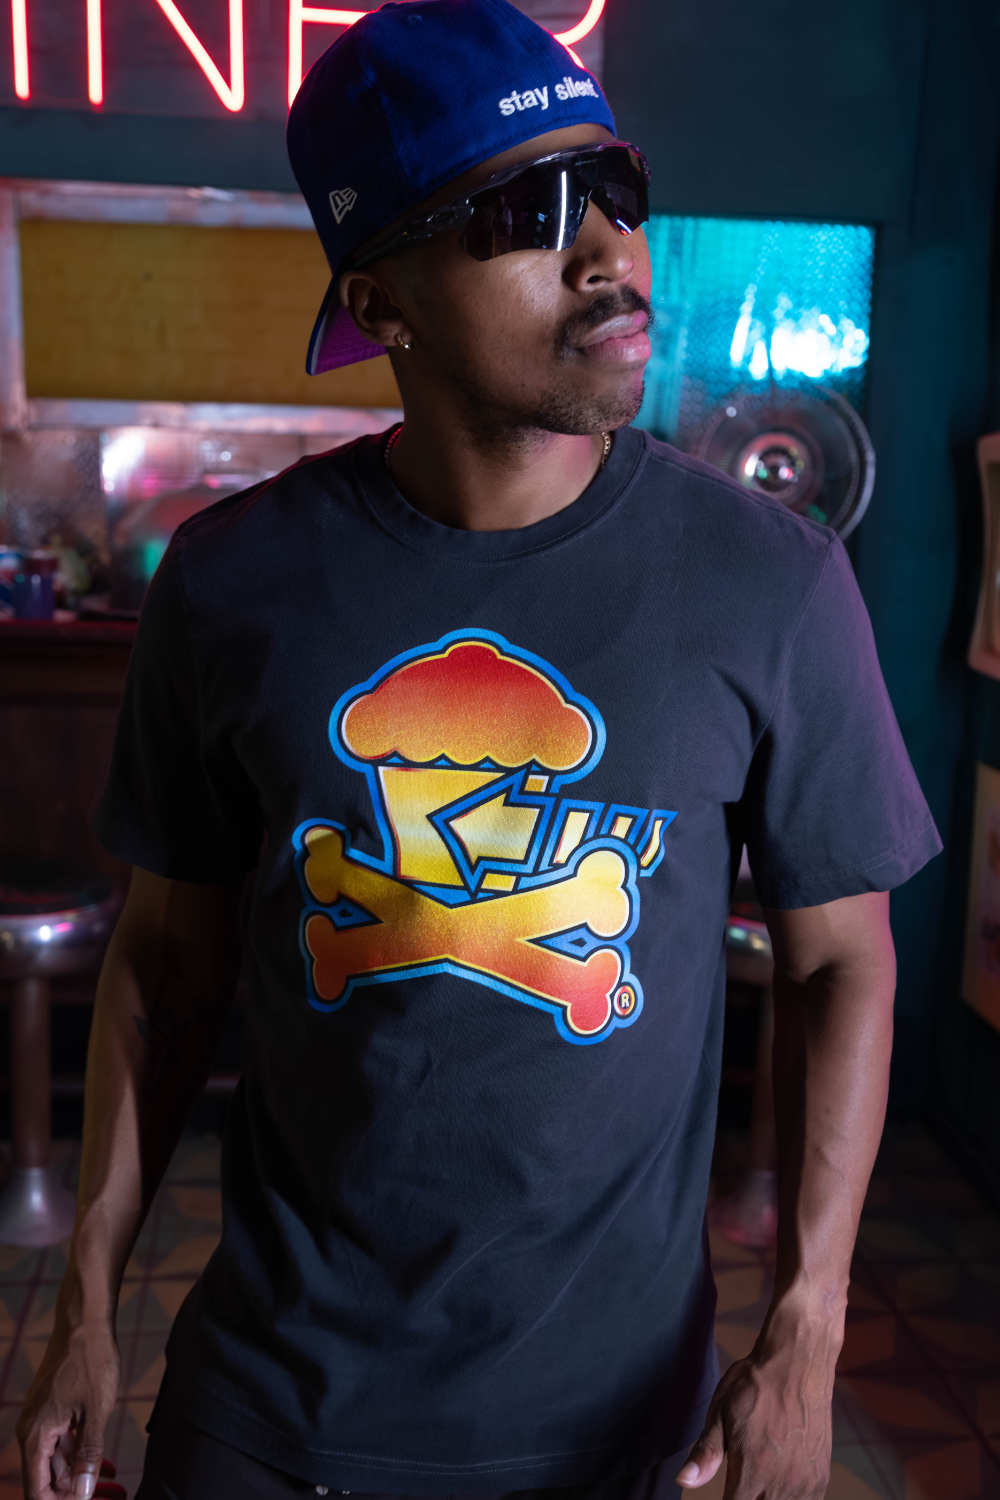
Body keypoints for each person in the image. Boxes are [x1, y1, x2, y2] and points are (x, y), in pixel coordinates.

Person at [18, 3, 941, 1498]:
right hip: (272, 1416)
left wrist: (810, 1323)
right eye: (526, 215)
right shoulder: (232, 581)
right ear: (379, 304)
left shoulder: (771, 581)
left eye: (616, 191)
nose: (608, 254)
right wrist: (84, 1304)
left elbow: (843, 963)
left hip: (618, 1429)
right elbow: (165, 963)